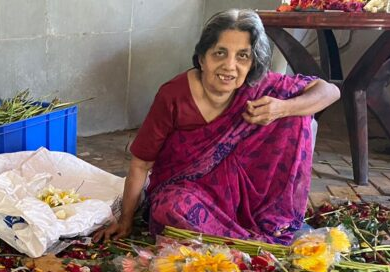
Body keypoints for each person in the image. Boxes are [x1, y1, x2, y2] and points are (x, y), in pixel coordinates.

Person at [94, 9, 340, 245]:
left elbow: (330, 91)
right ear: (202, 58)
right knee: (170, 210)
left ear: (252, 63)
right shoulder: (174, 96)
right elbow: (141, 163)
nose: (229, 66)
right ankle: (251, 243)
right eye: (219, 53)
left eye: (242, 56)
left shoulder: (257, 86)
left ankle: (250, 230)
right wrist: (126, 221)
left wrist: (281, 109)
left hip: (246, 200)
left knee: (297, 114)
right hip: (189, 193)